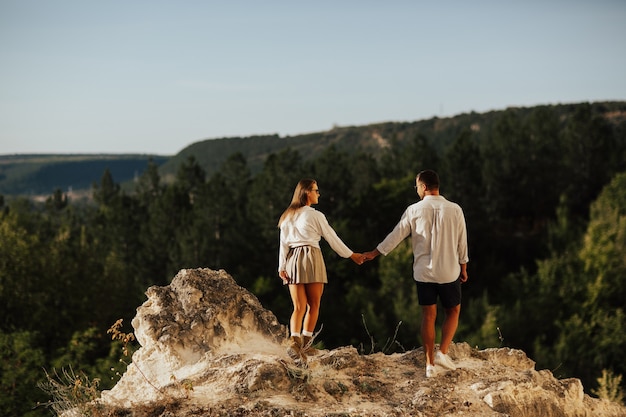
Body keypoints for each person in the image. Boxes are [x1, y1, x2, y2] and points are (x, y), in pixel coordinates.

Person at [363, 170, 468, 378]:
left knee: (428, 316)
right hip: (449, 271)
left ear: (424, 186)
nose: (417, 190)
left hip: (424, 273)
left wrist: (375, 253)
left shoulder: (413, 210)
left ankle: (429, 364)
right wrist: (463, 267)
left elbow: (396, 235)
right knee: (453, 311)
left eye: (417, 186)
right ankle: (443, 353)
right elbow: (461, 241)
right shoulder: (455, 209)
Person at [278, 179, 365, 362]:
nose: (319, 194)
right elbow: (332, 238)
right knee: (314, 305)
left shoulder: (287, 216)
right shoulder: (316, 216)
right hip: (311, 257)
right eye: (316, 190)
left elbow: (283, 244)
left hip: (292, 259)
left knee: (298, 306)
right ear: (307, 192)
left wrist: (281, 266)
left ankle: (295, 344)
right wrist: (351, 255)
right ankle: (306, 345)